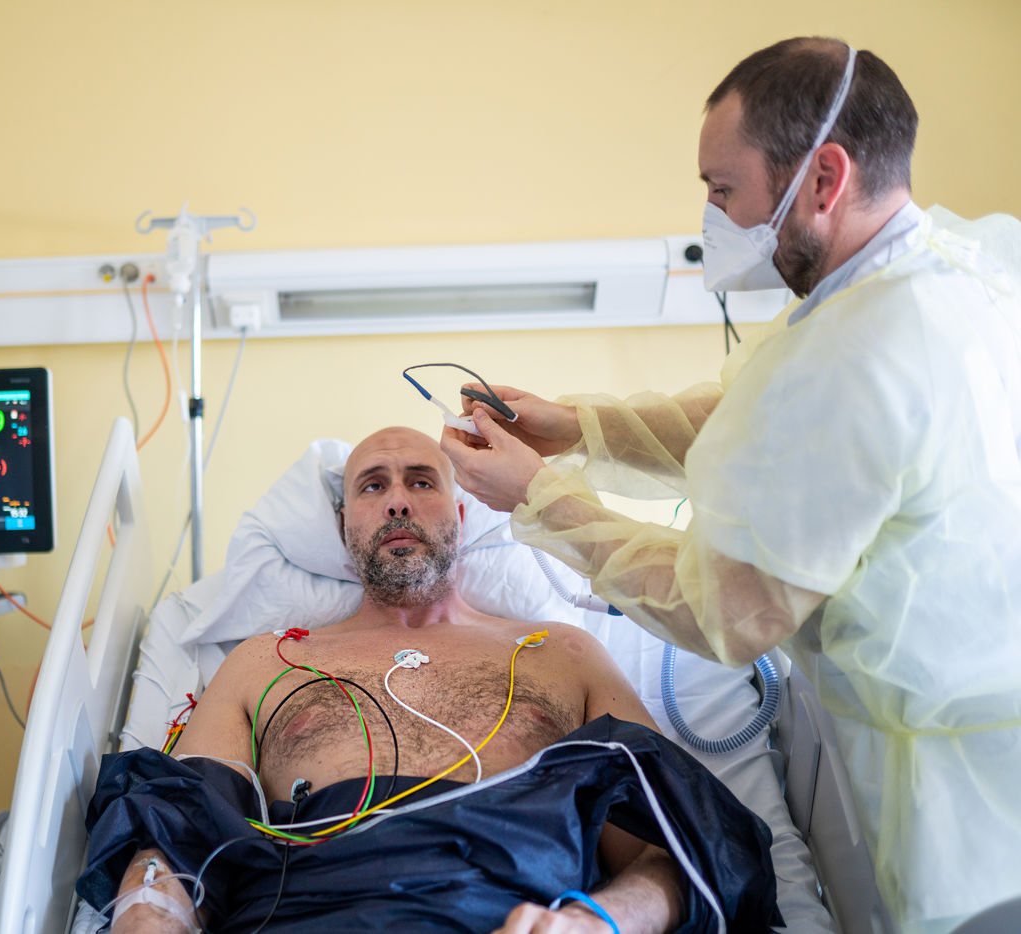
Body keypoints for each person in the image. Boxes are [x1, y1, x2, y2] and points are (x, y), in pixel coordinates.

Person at [440, 37, 1021, 934]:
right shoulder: (943, 268)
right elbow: (756, 418)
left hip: (972, 812)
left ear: (823, 177)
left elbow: (728, 612)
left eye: (723, 191)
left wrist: (543, 500)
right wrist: (577, 426)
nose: (712, 215)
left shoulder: (862, 355)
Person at [76, 427, 778, 934]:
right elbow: (175, 830)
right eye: (372, 486)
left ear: (461, 514)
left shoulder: (562, 653)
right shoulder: (266, 661)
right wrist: (148, 911)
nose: (397, 502)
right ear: (343, 525)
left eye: (421, 481)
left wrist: (599, 921)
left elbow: (676, 846)